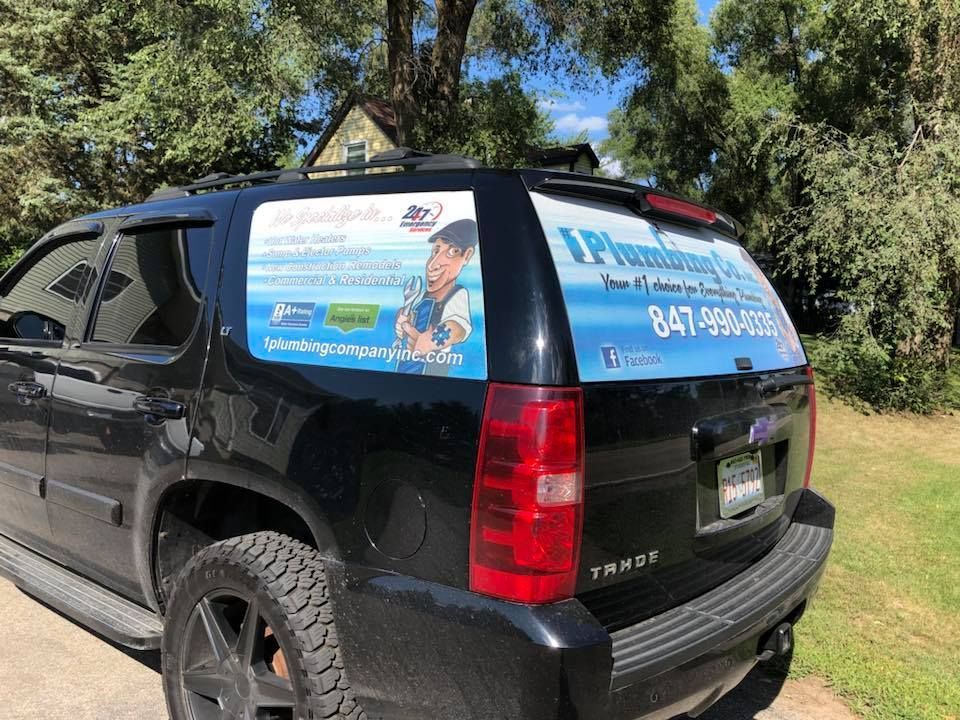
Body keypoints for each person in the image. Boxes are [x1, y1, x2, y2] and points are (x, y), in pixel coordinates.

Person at [395, 219, 477, 375]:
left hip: (431, 377)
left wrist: (431, 340)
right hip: (404, 372)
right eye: (435, 252)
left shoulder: (457, 294)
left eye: (452, 252)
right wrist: (405, 318)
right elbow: (414, 318)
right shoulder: (422, 296)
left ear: (467, 255)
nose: (432, 265)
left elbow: (458, 326)